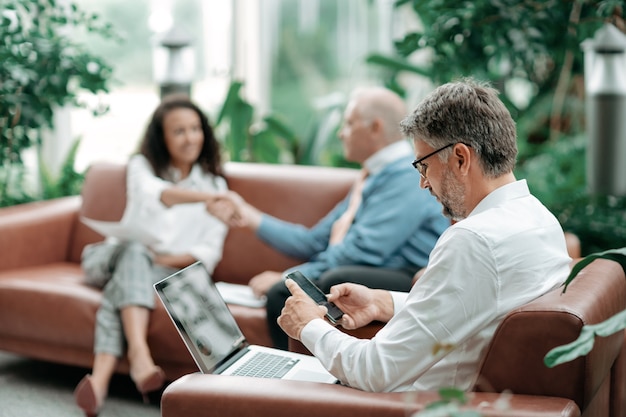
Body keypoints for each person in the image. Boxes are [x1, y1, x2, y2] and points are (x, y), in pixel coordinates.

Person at [276, 78, 572, 392]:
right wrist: (385, 302)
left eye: (423, 166)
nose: (423, 184)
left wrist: (309, 326)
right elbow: (482, 308)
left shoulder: (473, 240)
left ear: (460, 158)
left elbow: (375, 371)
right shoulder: (537, 217)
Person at [219, 86, 449, 350]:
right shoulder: (371, 177)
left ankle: (295, 379)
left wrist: (289, 277)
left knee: (300, 288)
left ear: (375, 128)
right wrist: (250, 217)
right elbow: (314, 240)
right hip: (374, 266)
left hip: (408, 276)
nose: (341, 133)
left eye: (349, 124)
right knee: (294, 289)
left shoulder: (405, 178)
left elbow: (362, 252)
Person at [74, 95, 234, 416]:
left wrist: (154, 259)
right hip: (108, 256)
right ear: (161, 138)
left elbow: (207, 256)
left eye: (195, 129)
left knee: (130, 276)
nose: (190, 138)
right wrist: (214, 198)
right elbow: (161, 195)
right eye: (179, 131)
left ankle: (100, 380)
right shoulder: (141, 167)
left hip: (159, 270)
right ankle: (139, 355)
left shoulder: (214, 182)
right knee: (133, 252)